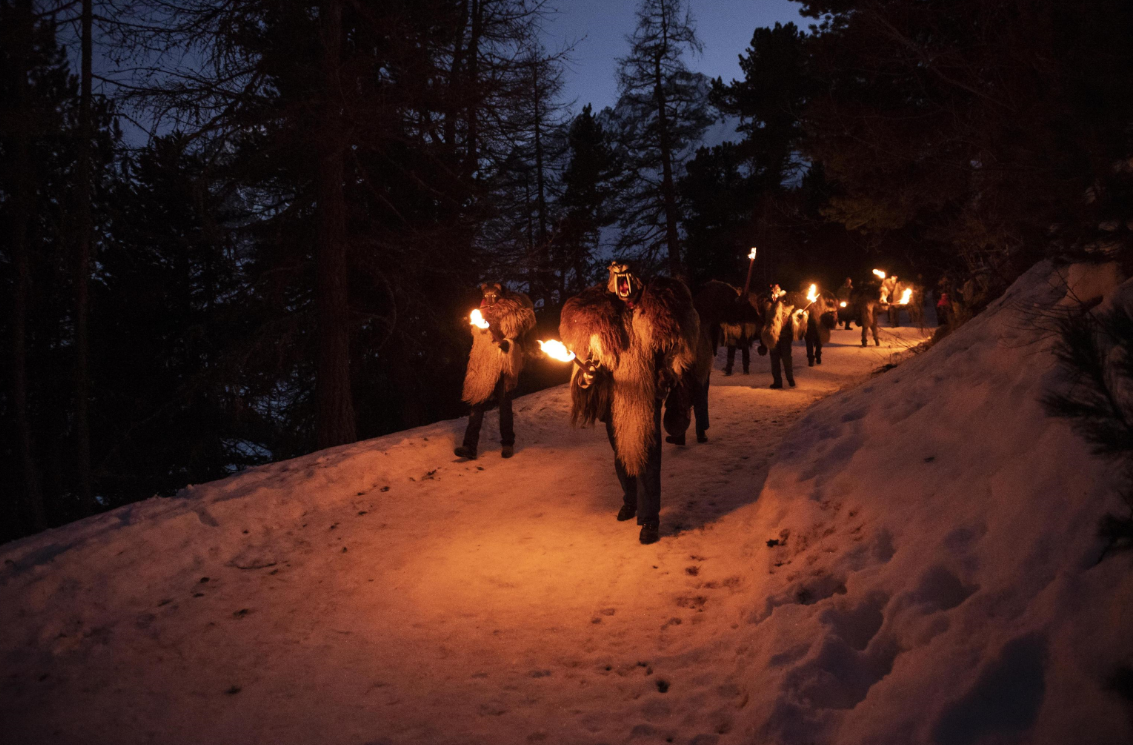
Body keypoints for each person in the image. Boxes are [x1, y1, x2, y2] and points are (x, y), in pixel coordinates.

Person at [560, 261, 698, 544]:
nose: (626, 292)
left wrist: (669, 373)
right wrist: (587, 376)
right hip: (617, 396)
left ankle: (649, 520)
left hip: (646, 394)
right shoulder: (605, 320)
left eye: (629, 285)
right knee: (621, 451)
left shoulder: (653, 315)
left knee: (647, 455)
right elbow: (595, 359)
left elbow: (676, 348)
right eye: (619, 286)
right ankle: (631, 498)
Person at [454, 282, 535, 460]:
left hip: (503, 364)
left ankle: (507, 443)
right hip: (483, 365)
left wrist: (507, 343)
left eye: (494, 296)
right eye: (487, 296)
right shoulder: (479, 313)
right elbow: (477, 336)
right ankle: (469, 446)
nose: (490, 300)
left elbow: (514, 334)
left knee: (505, 405)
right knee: (477, 405)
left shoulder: (510, 313)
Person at [760, 292, 806, 389]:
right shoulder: (768, 308)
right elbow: (763, 322)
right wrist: (763, 342)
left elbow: (794, 321)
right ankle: (777, 381)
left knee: (786, 358)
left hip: (785, 337)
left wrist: (799, 317)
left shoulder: (789, 308)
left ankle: (790, 379)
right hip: (773, 337)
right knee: (774, 360)